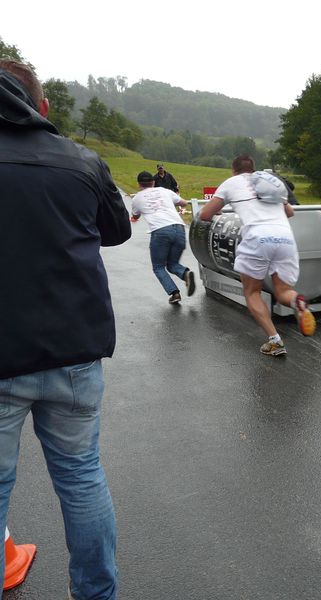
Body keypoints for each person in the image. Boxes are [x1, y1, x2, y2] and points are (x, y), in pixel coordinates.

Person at [0, 60, 130, 600]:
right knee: (81, 476)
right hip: (74, 352)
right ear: (42, 106)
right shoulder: (81, 159)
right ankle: (96, 593)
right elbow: (116, 231)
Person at [198, 154, 315, 356]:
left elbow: (205, 215)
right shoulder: (269, 183)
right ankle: (299, 303)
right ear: (253, 169)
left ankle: (275, 341)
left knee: (252, 292)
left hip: (257, 238)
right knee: (283, 292)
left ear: (233, 170)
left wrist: (220, 212)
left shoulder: (231, 183)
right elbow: (290, 212)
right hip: (285, 237)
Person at [131, 171, 196, 304]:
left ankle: (174, 293)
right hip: (179, 228)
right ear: (153, 182)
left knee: (158, 267)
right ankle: (185, 274)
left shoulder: (137, 198)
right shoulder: (164, 191)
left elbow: (135, 215)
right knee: (172, 264)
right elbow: (183, 203)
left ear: (139, 184)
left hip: (160, 231)